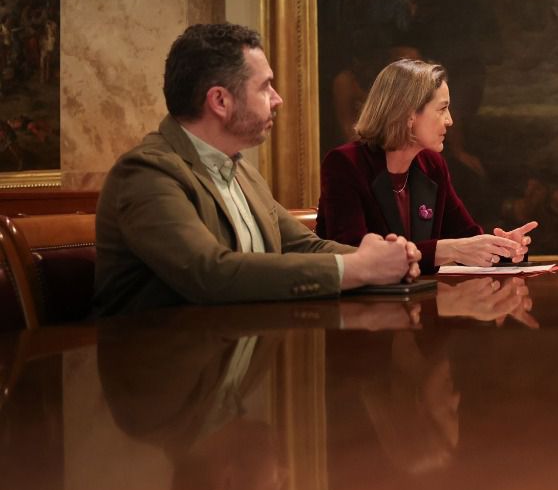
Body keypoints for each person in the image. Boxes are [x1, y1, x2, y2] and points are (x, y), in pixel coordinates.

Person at [94, 24, 421, 317]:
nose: (277, 99)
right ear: (220, 101)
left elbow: (304, 246)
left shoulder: (240, 170)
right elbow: (210, 274)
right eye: (265, 87)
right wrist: (360, 268)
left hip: (238, 360)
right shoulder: (146, 172)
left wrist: (385, 258)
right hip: (163, 371)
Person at [317, 58, 538, 269]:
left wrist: (505, 248)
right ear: (408, 114)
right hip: (358, 306)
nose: (450, 120)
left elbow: (467, 239)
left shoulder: (432, 165)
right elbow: (352, 254)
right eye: (442, 109)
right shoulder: (345, 164)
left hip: (420, 301)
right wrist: (447, 249)